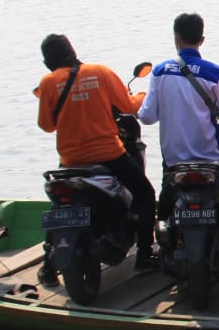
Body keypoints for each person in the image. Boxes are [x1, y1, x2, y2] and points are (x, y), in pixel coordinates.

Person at [35, 33, 158, 272]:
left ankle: (48, 266)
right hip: (109, 155)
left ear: (48, 61)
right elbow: (129, 106)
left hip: (71, 160)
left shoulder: (48, 82)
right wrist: (142, 96)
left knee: (58, 206)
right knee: (145, 193)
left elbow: (47, 125)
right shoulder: (100, 72)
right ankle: (144, 254)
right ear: (73, 51)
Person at [137, 13, 219, 225]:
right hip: (211, 157)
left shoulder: (160, 71)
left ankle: (150, 251)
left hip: (174, 159)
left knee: (164, 205)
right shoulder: (214, 72)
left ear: (176, 37)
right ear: (202, 40)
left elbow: (147, 117)